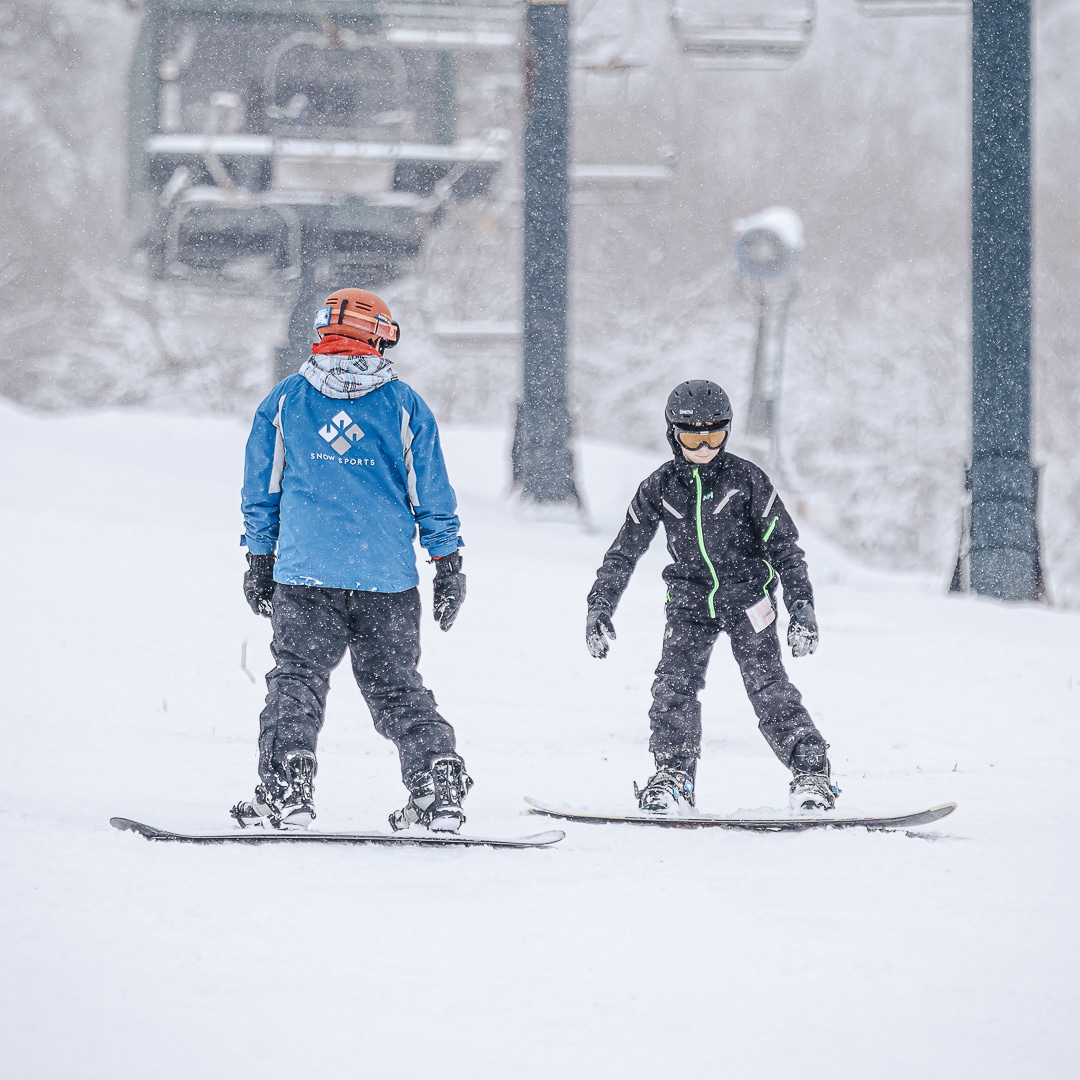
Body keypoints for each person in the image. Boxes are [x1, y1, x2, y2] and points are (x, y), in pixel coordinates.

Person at [233, 288, 471, 831]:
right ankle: (437, 779)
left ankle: (287, 782)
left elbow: (261, 489)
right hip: (387, 582)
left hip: (306, 577)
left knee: (298, 678)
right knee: (395, 686)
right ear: (379, 335)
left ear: (322, 333)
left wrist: (258, 558)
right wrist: (448, 562)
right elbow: (431, 491)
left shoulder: (287, 401)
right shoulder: (404, 404)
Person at [584, 379, 836, 813]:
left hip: (748, 600)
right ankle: (674, 777)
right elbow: (624, 550)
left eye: (714, 436)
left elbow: (785, 548)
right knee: (672, 687)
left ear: (727, 433)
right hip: (689, 603)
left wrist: (801, 605)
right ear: (672, 435)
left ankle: (811, 773)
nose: (703, 448)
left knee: (768, 687)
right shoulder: (659, 486)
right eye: (692, 438)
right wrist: (599, 604)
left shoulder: (747, 480)